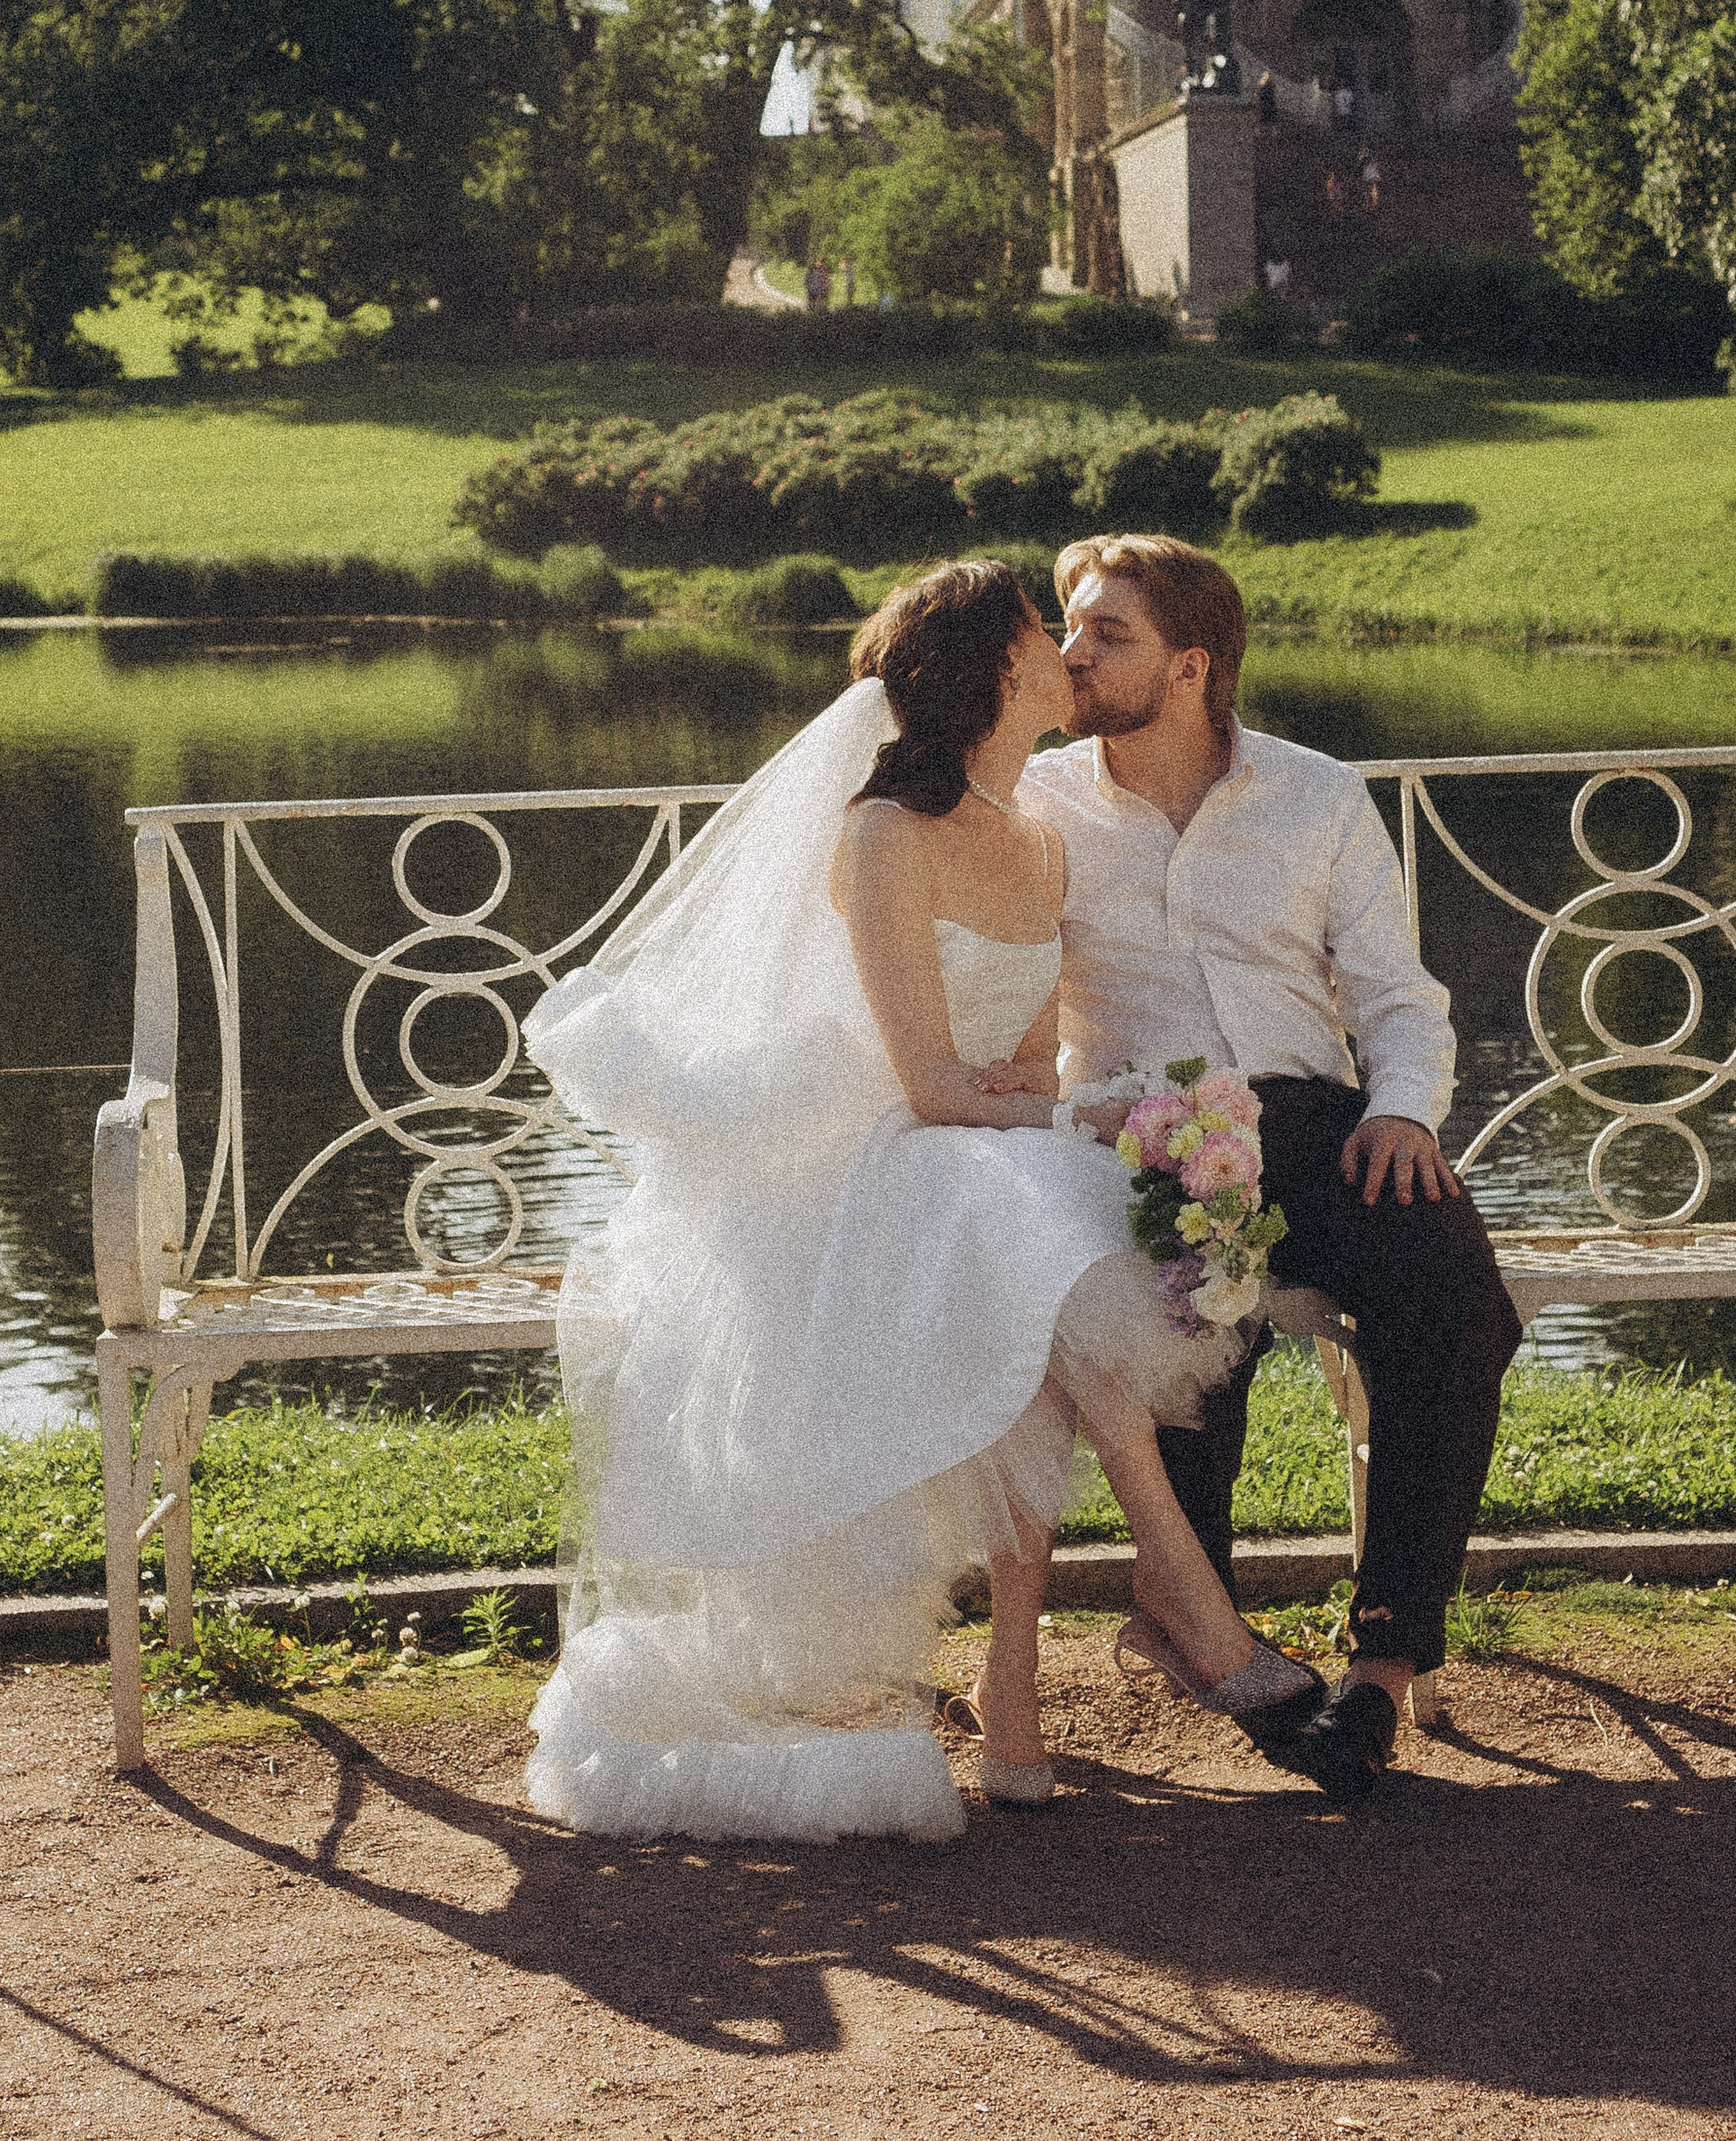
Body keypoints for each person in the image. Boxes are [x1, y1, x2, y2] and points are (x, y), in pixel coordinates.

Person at [521, 561, 1341, 1842]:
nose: (1069, 658)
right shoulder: (882, 833)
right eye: (1045, 639)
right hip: (862, 1162)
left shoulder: (1043, 847)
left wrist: (1060, 1105)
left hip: (973, 1158)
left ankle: (1022, 1697)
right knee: (1031, 1235)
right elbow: (928, 1079)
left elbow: (1015, 1061)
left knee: (1034, 1257)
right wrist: (1057, 1109)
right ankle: (1186, 1599)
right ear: (999, 676)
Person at [1005, 536, 1524, 1807]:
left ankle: (1385, 1666)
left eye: (1104, 633)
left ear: (1191, 667)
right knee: (1190, 1319)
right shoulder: (1039, 806)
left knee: (1459, 1310)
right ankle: (1199, 1620)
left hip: (1319, 1128)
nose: (1072, 654)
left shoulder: (1318, 795)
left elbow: (1400, 997)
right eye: (1071, 628)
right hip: (1142, 1135)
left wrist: (1404, 1113)